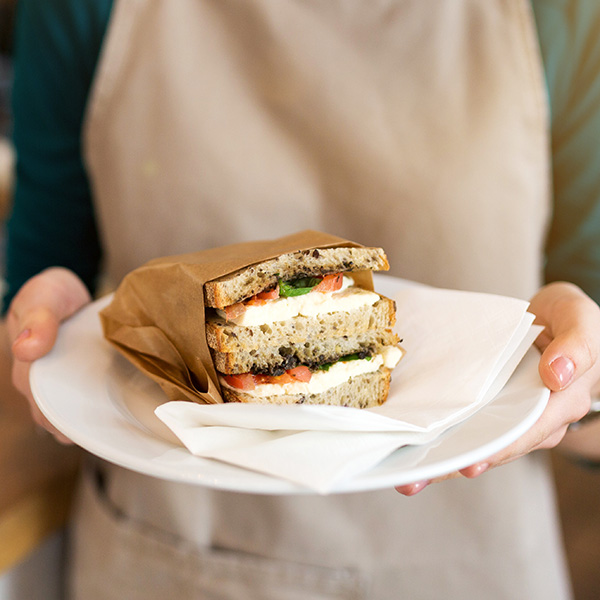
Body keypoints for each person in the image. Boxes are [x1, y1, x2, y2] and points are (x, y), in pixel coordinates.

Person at [4, 0, 600, 598]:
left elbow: (589, 351)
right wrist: (45, 322)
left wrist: (581, 382)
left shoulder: (565, 14)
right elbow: (48, 261)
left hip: (471, 564)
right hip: (167, 552)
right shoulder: (77, 9)